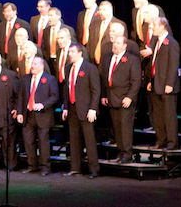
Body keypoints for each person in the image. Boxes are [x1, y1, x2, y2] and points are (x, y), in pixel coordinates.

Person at [61, 44, 101, 179]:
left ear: (80, 53)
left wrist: (93, 109)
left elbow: (96, 91)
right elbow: (66, 90)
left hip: (86, 109)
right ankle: (75, 168)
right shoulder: (68, 68)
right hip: (72, 109)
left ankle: (94, 169)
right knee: (74, 139)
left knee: (89, 140)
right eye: (69, 52)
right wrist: (65, 107)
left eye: (72, 52)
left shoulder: (90, 68)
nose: (70, 54)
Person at [99, 36, 141, 164]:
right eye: (114, 43)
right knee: (117, 128)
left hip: (125, 99)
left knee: (125, 128)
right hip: (112, 98)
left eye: (118, 43)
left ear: (124, 46)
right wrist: (104, 95)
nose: (115, 45)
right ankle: (120, 152)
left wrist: (129, 97)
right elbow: (104, 79)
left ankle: (127, 154)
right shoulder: (107, 57)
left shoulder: (132, 60)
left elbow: (136, 81)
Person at [17, 56, 59, 175]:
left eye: (35, 64)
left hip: (43, 115)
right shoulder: (26, 78)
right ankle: (32, 166)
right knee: (28, 141)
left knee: (43, 142)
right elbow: (21, 96)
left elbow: (55, 96)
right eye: (32, 64)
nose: (32, 66)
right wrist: (20, 112)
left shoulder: (50, 79)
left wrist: (43, 105)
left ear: (41, 66)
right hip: (29, 115)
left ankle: (45, 167)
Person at [147, 17, 181, 150]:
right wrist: (151, 80)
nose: (152, 28)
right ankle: (161, 140)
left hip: (167, 86)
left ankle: (172, 142)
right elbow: (154, 63)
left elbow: (173, 65)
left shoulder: (171, 43)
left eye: (154, 25)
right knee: (158, 115)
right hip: (157, 84)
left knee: (169, 116)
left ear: (163, 26)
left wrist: (170, 83)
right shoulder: (156, 41)